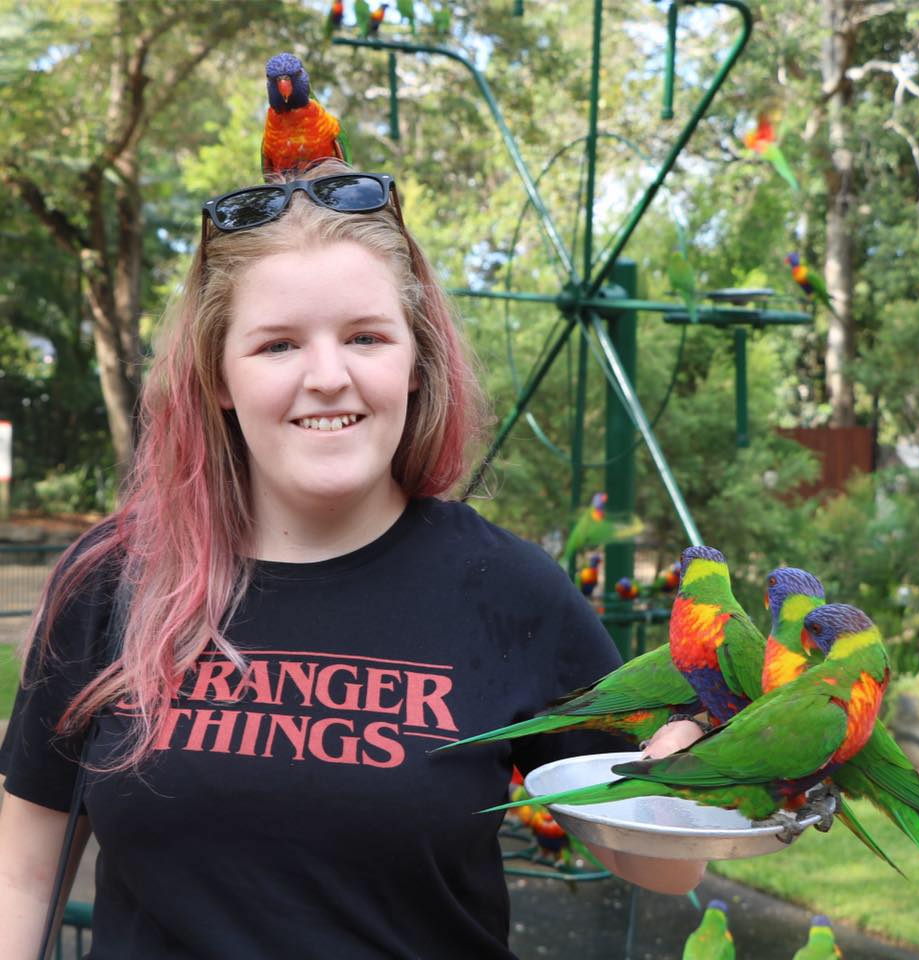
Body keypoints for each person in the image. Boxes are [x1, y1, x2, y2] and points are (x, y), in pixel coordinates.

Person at [0, 159, 703, 960]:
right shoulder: (115, 578)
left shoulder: (510, 593)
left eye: (365, 337)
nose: (327, 377)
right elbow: (21, 873)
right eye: (277, 345)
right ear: (219, 376)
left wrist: (706, 776)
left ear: (413, 360)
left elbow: (658, 867)